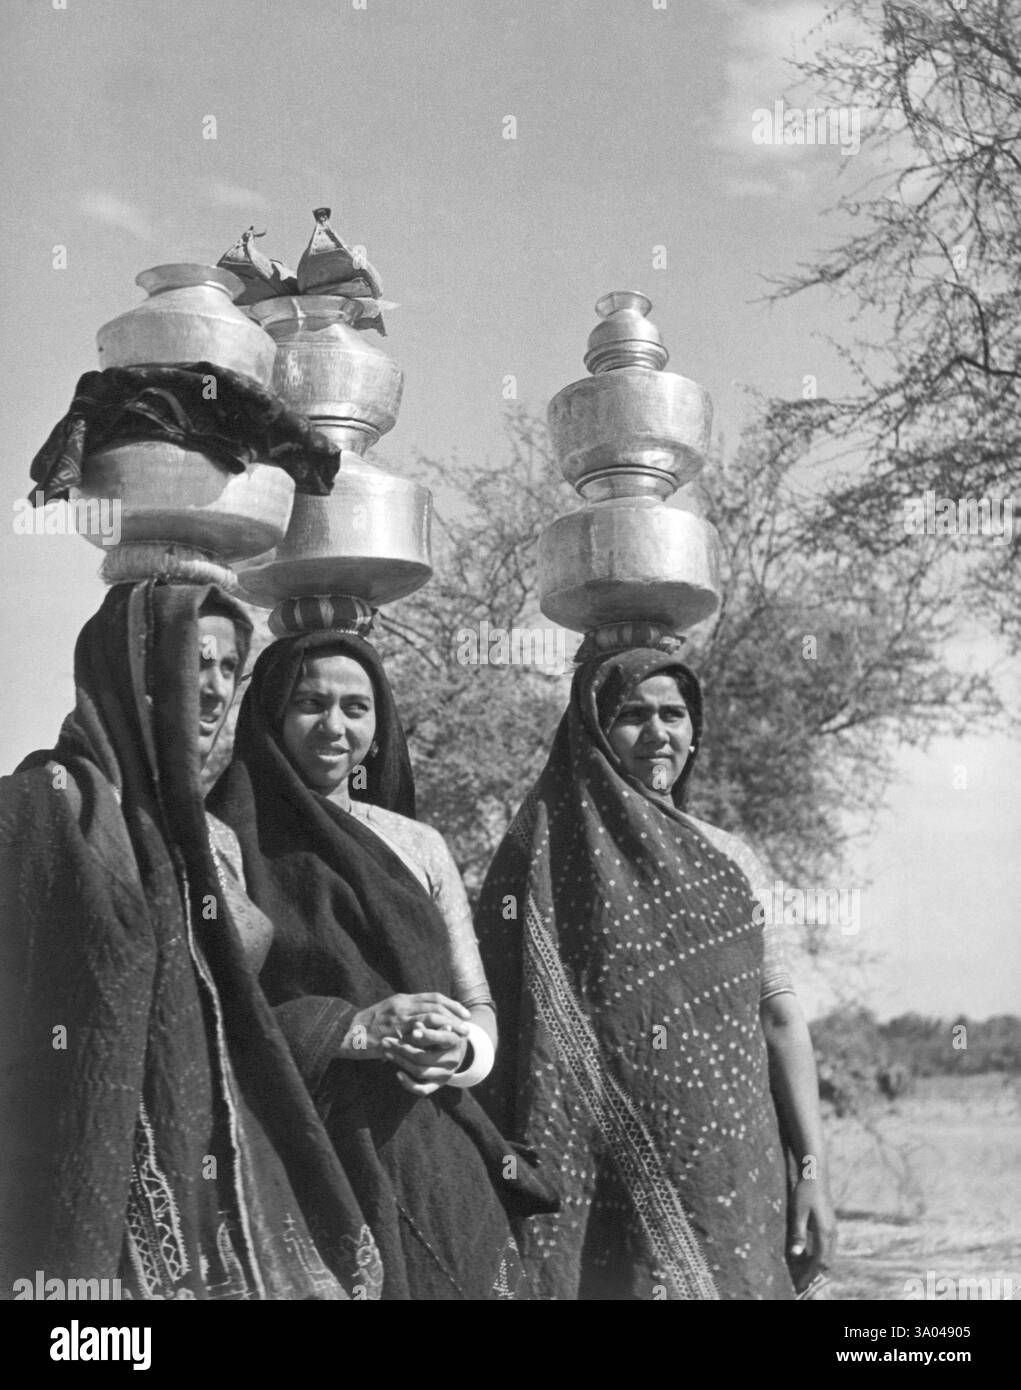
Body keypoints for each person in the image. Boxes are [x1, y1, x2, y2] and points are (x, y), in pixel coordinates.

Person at [0, 580, 379, 1300]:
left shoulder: (217, 844)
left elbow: (247, 1025)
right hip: (74, 1164)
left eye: (226, 670)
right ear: (123, 669)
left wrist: (356, 1029)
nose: (208, 690)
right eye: (186, 661)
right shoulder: (39, 811)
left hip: (220, 1160)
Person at [474, 644, 838, 1301]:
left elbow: (778, 1016)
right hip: (585, 1181)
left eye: (673, 714)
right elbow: (499, 1019)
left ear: (695, 732)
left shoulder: (729, 860)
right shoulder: (540, 858)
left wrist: (810, 1167)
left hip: (727, 1176)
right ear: (591, 730)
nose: (657, 733)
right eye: (631, 714)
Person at [209, 627, 558, 1300]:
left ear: (379, 724)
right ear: (271, 714)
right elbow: (212, 1015)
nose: (334, 726)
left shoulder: (416, 846)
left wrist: (458, 1051)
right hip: (299, 1154)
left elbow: (475, 999)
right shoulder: (221, 841)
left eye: (356, 707)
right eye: (310, 702)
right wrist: (350, 1030)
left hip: (436, 1154)